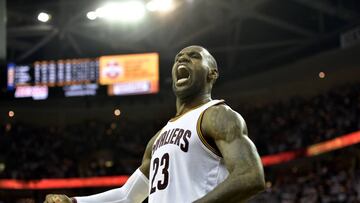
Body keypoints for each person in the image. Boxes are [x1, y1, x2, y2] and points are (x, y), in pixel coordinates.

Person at [44, 45, 265, 203]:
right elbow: (128, 196)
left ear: (212, 74)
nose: (183, 59)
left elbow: (250, 177)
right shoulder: (158, 138)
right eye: (179, 57)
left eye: (194, 56)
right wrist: (74, 201)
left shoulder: (218, 115)